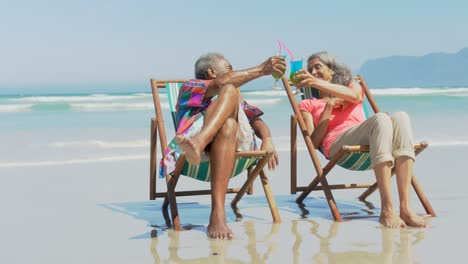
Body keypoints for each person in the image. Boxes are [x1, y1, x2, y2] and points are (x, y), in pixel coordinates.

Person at [294, 51, 428, 229]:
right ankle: (387, 209)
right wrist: (329, 106)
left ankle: (405, 208)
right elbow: (314, 142)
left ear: (332, 70)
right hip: (336, 143)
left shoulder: (352, 86)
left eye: (317, 67)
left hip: (368, 138)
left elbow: (356, 97)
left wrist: (320, 85)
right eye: (310, 70)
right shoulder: (307, 104)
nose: (313, 72)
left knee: (401, 117)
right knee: (381, 119)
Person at [163, 52, 285, 239]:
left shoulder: (234, 93)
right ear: (211, 71)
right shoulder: (190, 86)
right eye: (230, 68)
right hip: (193, 144)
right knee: (228, 117)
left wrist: (267, 138)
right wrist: (262, 69)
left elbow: (255, 119)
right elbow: (221, 84)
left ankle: (200, 142)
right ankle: (217, 216)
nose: (235, 72)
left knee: (230, 92)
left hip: (223, 145)